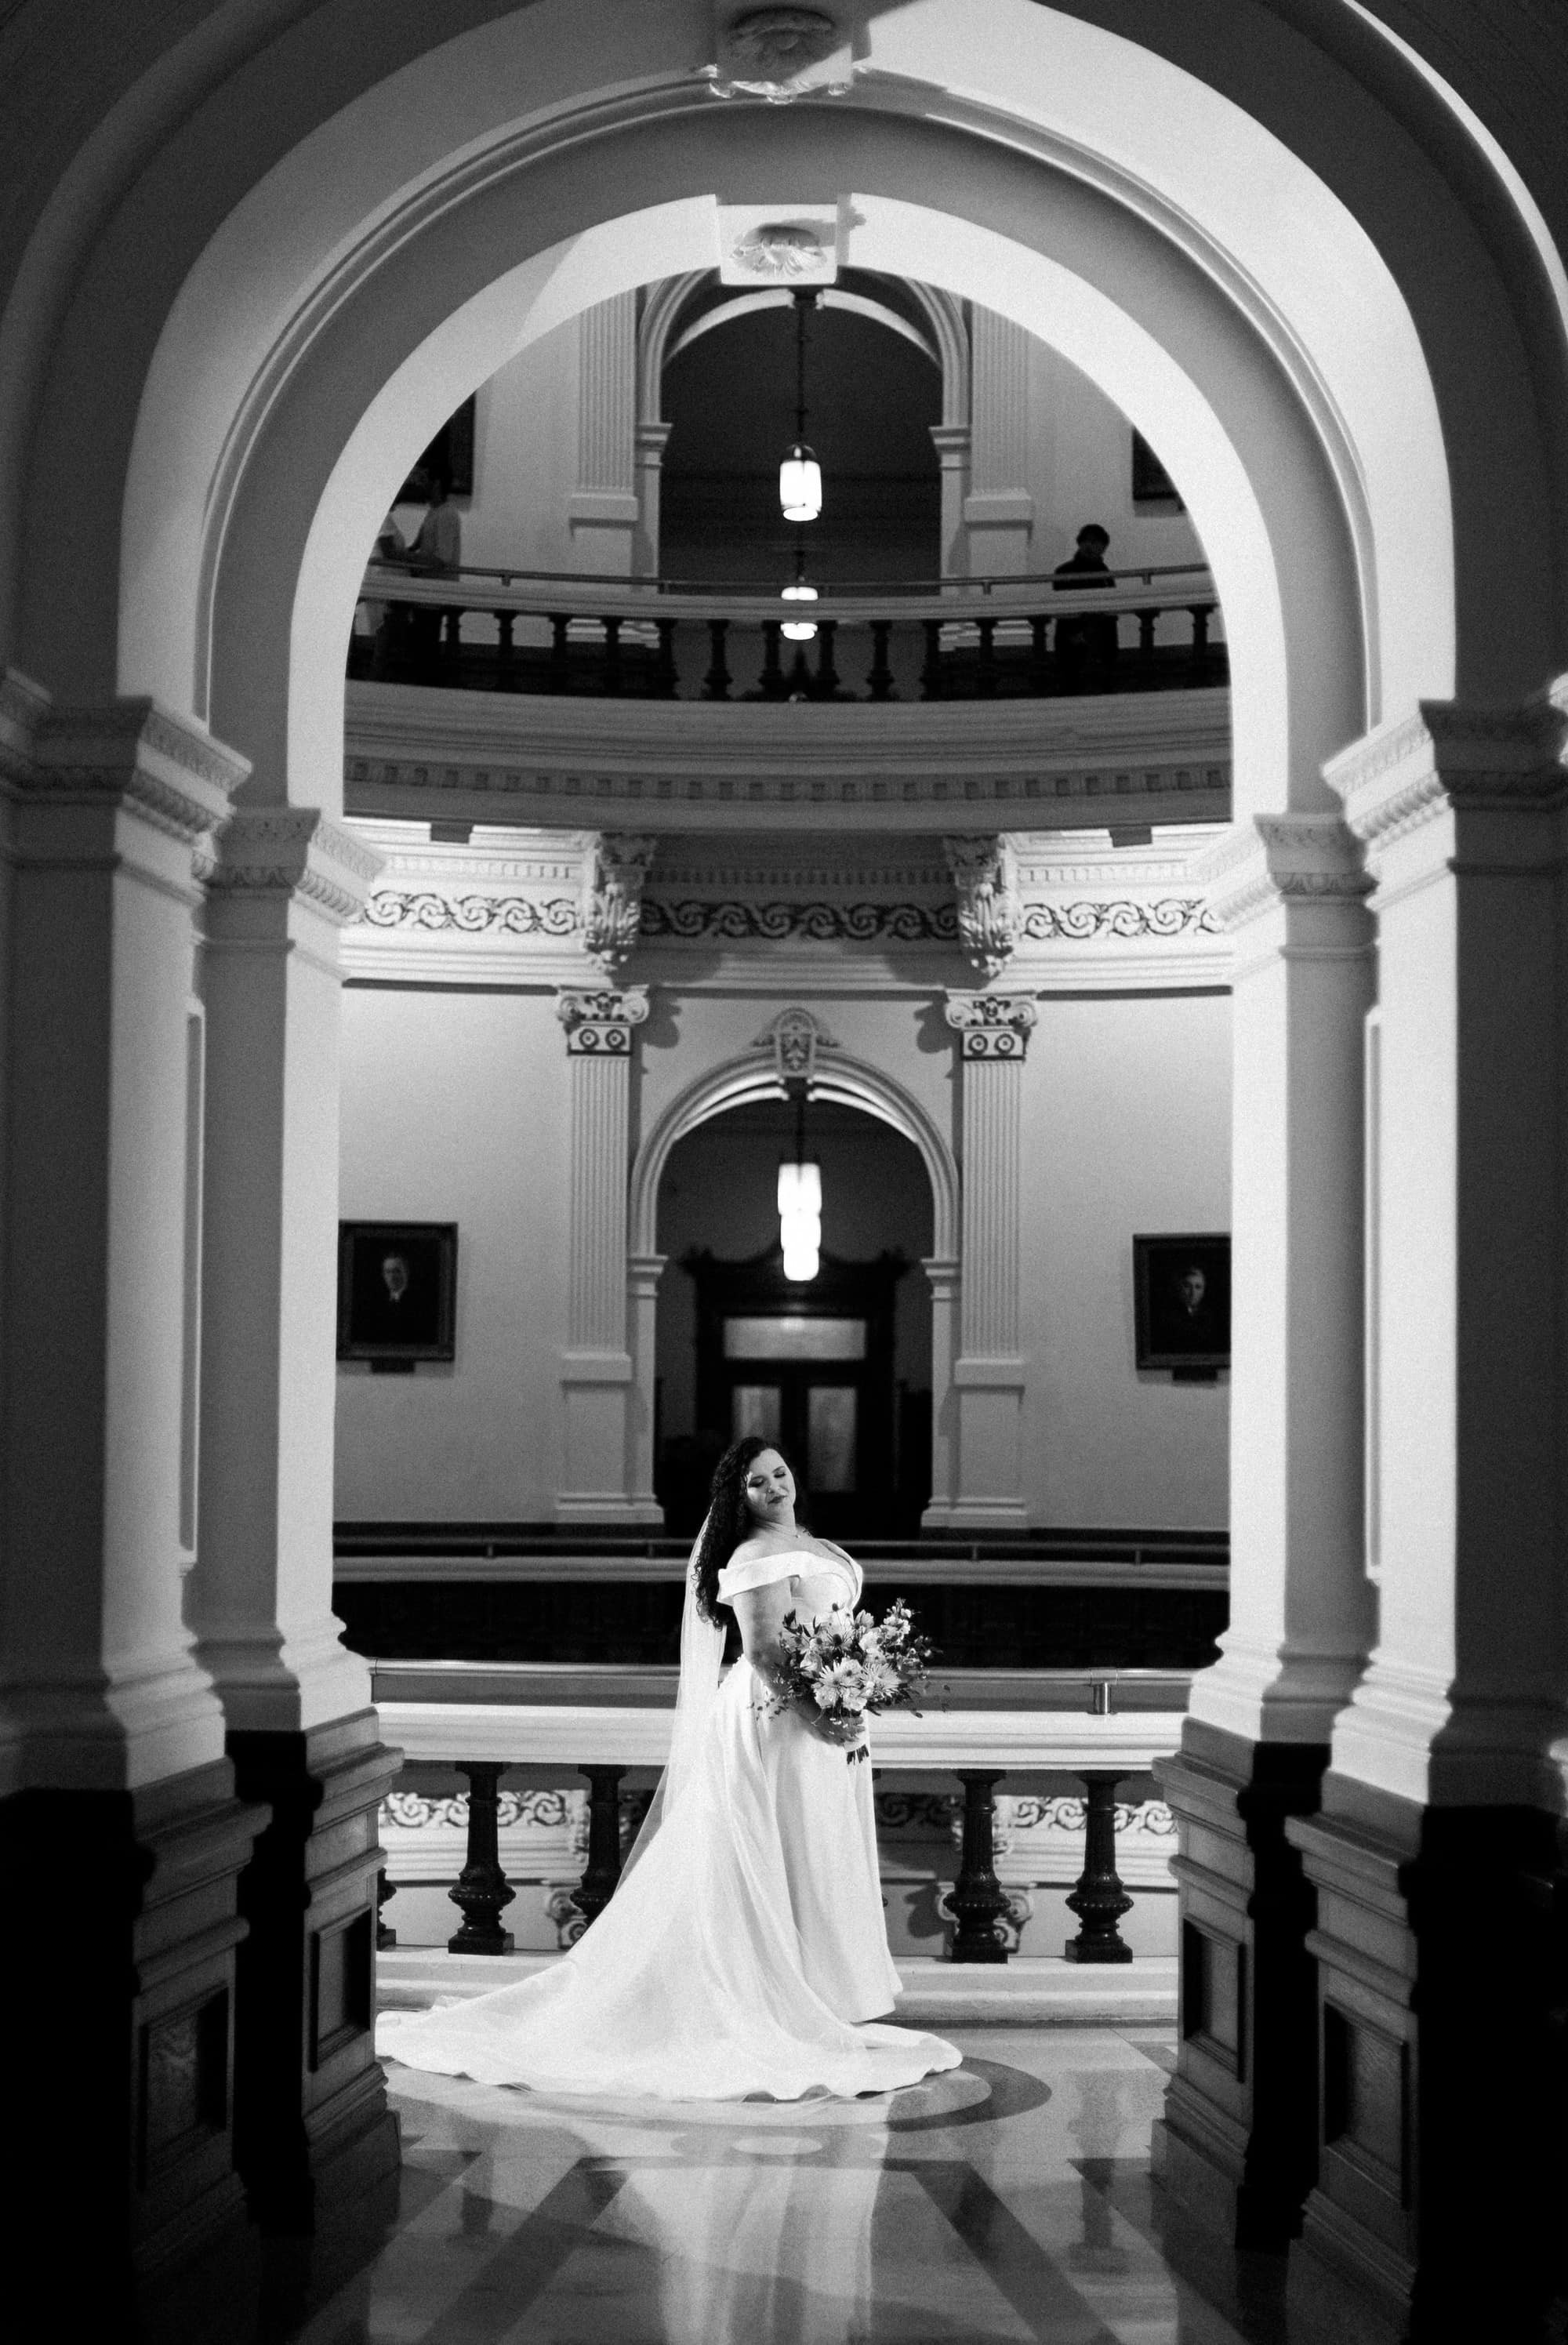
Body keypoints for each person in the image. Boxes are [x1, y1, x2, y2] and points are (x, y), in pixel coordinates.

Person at [376, 1436, 960, 2100]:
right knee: (766, 1851)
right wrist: (822, 1709)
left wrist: (857, 1689)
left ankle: (820, 2001)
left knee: (818, 1850)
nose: (774, 1485)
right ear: (737, 1499)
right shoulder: (749, 1557)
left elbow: (839, 1632)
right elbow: (768, 1651)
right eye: (757, 1482)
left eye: (779, 1472)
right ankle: (761, 2003)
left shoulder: (825, 1550)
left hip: (828, 1723)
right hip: (774, 1718)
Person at [1052, 521, 1120, 685]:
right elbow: (1063, 607)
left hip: (1101, 639)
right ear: (1080, 543)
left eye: (1096, 542)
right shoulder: (1064, 572)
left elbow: (1110, 608)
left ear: (1103, 547)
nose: (1090, 546)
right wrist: (1074, 633)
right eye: (1087, 541)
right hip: (1072, 638)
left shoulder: (1105, 573)